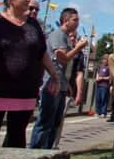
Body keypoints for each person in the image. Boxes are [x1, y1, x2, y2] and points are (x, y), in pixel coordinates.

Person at [0, 0, 60, 147]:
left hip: (24, 90)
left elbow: (42, 53)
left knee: (17, 136)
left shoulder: (33, 26)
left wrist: (54, 76)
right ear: (11, 0)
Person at [30, 8, 87, 149]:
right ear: (66, 20)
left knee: (55, 122)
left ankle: (48, 151)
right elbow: (62, 58)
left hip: (61, 85)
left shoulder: (66, 37)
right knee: (45, 121)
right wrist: (78, 47)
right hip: (51, 84)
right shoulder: (58, 35)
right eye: (75, 20)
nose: (77, 23)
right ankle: (35, 151)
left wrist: (67, 83)